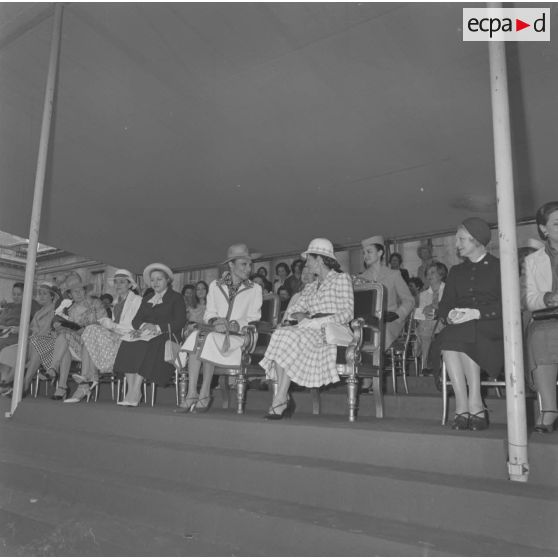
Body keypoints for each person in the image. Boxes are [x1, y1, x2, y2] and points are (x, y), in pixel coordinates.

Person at [260, 238, 354, 419]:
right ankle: (280, 398)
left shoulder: (341, 279)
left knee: (286, 337)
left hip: (330, 332)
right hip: (308, 330)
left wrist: (318, 321)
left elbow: (347, 313)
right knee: (281, 334)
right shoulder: (310, 287)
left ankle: (280, 399)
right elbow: (294, 310)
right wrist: (302, 317)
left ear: (319, 259)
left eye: (309, 259)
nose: (307, 263)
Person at [436, 217, 503, 431]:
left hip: (492, 327)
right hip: (461, 329)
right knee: (450, 337)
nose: (457, 245)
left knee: (457, 335)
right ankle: (465, 405)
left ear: (477, 241)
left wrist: (475, 312)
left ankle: (473, 401)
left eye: (461, 239)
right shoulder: (456, 272)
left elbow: (507, 305)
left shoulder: (499, 267)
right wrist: (450, 316)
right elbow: (444, 306)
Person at [177, 244, 262, 413]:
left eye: (250, 264)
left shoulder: (255, 288)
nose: (249, 268)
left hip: (240, 337)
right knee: (199, 336)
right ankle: (194, 392)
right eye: (244, 264)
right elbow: (210, 313)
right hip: (216, 333)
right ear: (231, 265)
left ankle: (203, 392)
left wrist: (236, 324)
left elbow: (255, 317)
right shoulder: (215, 285)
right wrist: (216, 320)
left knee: (205, 338)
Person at [113, 263, 187, 406]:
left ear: (167, 280)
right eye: (153, 280)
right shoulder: (147, 298)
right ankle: (130, 389)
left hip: (167, 335)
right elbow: (136, 320)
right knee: (128, 341)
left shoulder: (176, 298)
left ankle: (136, 390)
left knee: (148, 343)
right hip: (146, 334)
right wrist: (142, 327)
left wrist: (157, 327)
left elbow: (180, 321)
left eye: (159, 279)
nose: (155, 283)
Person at [64, 270, 142, 403]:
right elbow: (110, 324)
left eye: (122, 282)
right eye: (116, 282)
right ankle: (88, 379)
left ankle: (88, 379)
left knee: (91, 330)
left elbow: (135, 325)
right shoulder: (117, 302)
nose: (118, 285)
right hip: (114, 338)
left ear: (130, 284)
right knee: (89, 332)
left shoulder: (137, 300)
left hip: (129, 339)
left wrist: (110, 325)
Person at [354, 236, 415, 391]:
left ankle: (369, 378)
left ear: (380, 252)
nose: (365, 255)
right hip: (370, 321)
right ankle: (367, 375)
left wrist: (398, 314)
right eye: (364, 253)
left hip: (391, 322)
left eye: (369, 252)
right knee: (360, 333)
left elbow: (409, 300)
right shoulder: (361, 278)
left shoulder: (394, 275)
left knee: (379, 332)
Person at [522, 201, 558, 432]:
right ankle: (550, 409)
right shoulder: (532, 261)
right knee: (540, 334)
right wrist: (547, 299)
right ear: (544, 229)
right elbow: (527, 298)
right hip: (548, 317)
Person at [46, 275, 107, 400]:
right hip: (79, 345)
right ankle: (58, 379)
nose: (78, 293)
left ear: (85, 290)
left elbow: (104, 323)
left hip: (95, 345)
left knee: (65, 339)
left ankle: (57, 377)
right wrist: (61, 327)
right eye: (75, 291)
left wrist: (84, 328)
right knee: (63, 338)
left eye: (80, 289)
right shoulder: (71, 309)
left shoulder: (96, 303)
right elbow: (72, 329)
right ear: (70, 294)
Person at [0, 281, 61, 396]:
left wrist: (28, 333)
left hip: (48, 343)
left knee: (31, 345)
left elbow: (47, 330)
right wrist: (21, 330)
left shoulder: (55, 309)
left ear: (52, 296)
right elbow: (31, 329)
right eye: (40, 293)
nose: (41, 296)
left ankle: (23, 383)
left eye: (44, 294)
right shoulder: (39, 312)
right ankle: (7, 382)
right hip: (33, 341)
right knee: (7, 351)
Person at [415, 262, 448, 373]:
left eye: (432, 272)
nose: (429, 276)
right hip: (427, 324)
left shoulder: (449, 290)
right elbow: (419, 316)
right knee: (425, 327)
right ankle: (429, 365)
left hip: (445, 323)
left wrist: (434, 309)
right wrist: (424, 312)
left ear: (441, 274)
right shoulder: (423, 295)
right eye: (427, 273)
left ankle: (427, 365)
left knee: (425, 329)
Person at [0, 282, 40, 352]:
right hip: (3, 332)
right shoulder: (8, 306)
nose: (15, 297)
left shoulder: (31, 305)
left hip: (16, 336)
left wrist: (21, 329)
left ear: (25, 295)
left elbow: (36, 326)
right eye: (14, 294)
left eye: (19, 295)